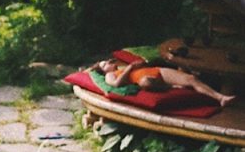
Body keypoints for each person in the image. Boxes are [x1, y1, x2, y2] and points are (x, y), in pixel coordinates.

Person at [98, 55, 235, 106]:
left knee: (191, 78)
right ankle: (172, 87)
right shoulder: (110, 76)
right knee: (145, 81)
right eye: (104, 64)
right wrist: (130, 68)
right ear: (104, 71)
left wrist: (140, 64)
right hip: (147, 81)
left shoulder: (123, 65)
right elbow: (117, 84)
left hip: (158, 72)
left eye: (107, 61)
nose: (109, 63)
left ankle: (220, 97)